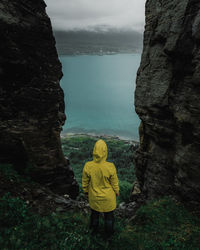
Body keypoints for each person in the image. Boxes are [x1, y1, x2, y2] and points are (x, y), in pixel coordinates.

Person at [82, 139, 119, 237]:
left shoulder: (88, 166)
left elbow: (85, 181)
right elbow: (114, 182)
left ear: (94, 151)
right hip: (108, 198)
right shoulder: (110, 166)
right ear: (105, 151)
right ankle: (109, 236)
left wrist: (85, 191)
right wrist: (117, 191)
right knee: (109, 218)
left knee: (94, 215)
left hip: (94, 197)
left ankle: (93, 233)